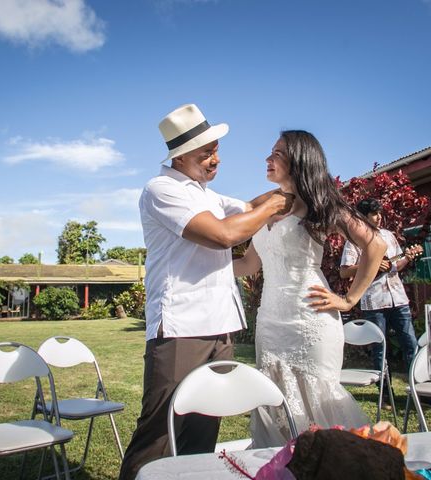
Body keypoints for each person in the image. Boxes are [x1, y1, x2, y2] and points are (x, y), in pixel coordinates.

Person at [119, 104, 294, 480]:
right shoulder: (162, 189)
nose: (215, 160)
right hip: (183, 327)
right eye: (205, 153)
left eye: (216, 150)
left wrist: (290, 188)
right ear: (179, 157)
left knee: (201, 434)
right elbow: (224, 235)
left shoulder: (206, 195)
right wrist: (277, 203)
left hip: (219, 326)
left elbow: (251, 208)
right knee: (160, 435)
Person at [233, 130, 387, 448]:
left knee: (320, 405)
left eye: (277, 153)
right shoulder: (266, 206)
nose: (267, 158)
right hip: (270, 321)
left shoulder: (321, 204)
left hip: (311, 317)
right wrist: (197, 262)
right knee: (275, 403)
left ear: (299, 160)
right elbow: (248, 265)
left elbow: (376, 244)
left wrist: (350, 298)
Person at [339, 198, 418, 375]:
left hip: (398, 300)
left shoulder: (389, 236)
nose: (379, 217)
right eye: (374, 214)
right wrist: (371, 264)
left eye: (379, 213)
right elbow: (344, 272)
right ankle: (384, 393)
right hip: (374, 302)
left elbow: (395, 265)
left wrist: (408, 257)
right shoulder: (353, 240)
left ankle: (417, 389)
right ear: (363, 216)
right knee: (379, 349)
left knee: (410, 343)